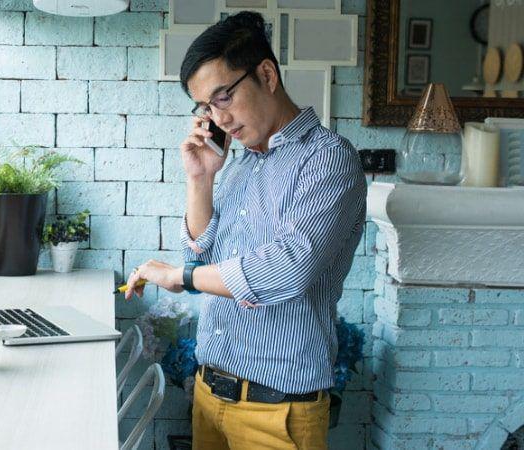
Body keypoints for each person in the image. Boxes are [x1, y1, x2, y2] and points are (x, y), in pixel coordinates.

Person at [123, 11, 366, 450]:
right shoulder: (240, 167)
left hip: (277, 413)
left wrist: (179, 278)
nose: (220, 118)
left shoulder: (329, 159)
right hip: (208, 395)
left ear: (267, 74)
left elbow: (288, 269)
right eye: (206, 107)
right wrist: (201, 178)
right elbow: (201, 260)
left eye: (224, 97)